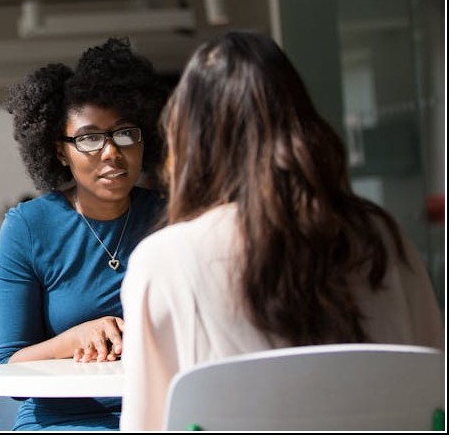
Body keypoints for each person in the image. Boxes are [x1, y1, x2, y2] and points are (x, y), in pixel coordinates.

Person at [119, 32, 443, 431]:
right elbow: (434, 391)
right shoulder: (382, 238)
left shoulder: (165, 261)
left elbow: (145, 424)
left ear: (191, 140)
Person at [0, 37, 169, 431]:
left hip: (161, 414)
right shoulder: (28, 228)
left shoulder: (170, 216)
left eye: (125, 133)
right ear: (59, 152)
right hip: (64, 420)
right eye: (89, 138)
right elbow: (7, 369)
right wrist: (75, 339)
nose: (111, 152)